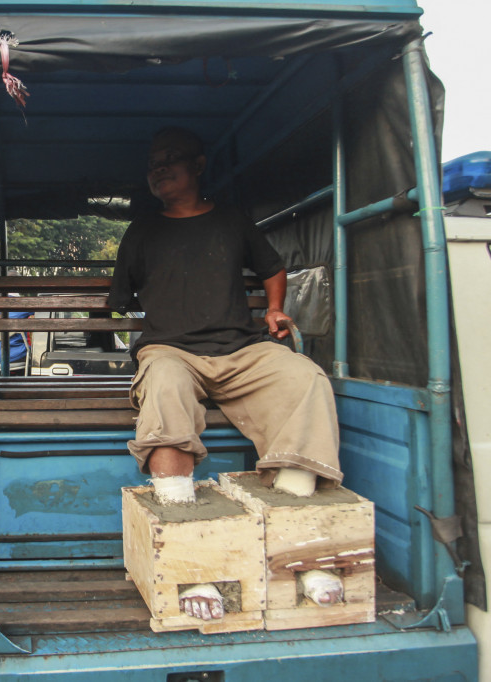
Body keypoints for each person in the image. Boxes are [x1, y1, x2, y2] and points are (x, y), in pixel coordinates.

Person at [108, 127, 344, 621]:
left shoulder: (233, 220)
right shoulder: (143, 230)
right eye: (153, 161)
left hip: (240, 349)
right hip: (171, 350)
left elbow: (272, 268)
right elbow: (119, 299)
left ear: (198, 166)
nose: (158, 168)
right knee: (165, 384)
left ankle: (296, 545)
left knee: (306, 379)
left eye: (170, 159)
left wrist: (275, 309)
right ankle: (191, 554)